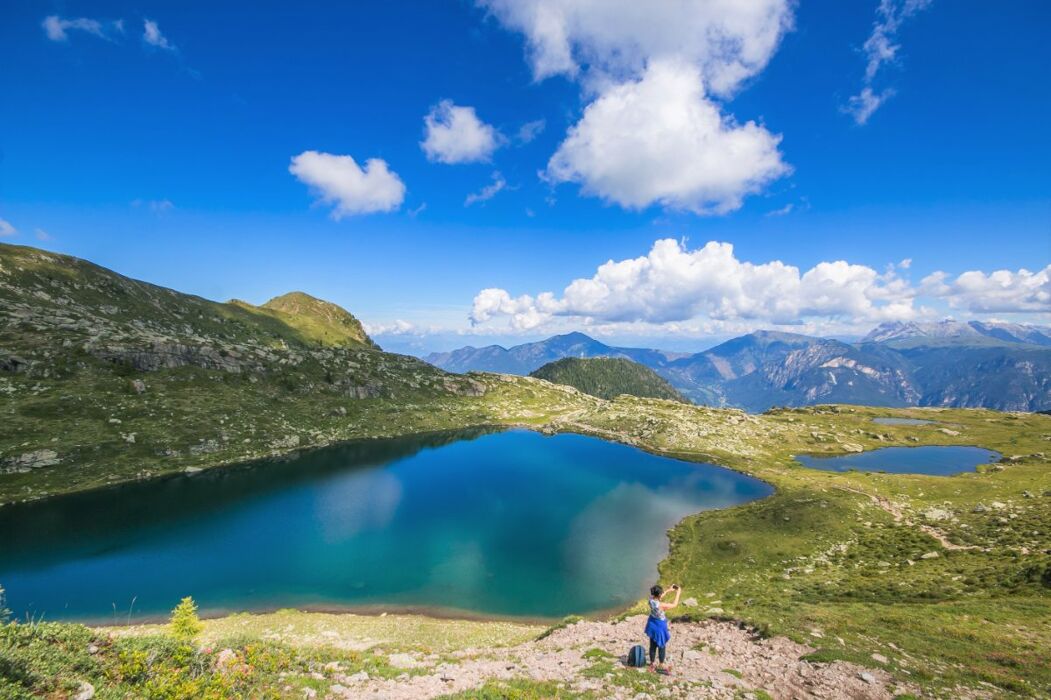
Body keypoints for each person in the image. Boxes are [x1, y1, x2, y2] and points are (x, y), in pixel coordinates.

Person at [644, 583, 681, 674]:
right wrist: (678, 593)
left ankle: (652, 663)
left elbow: (659, 596)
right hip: (660, 626)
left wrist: (669, 590)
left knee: (652, 645)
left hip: (652, 623)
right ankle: (661, 664)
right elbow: (674, 604)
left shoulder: (651, 600)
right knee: (661, 645)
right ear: (659, 594)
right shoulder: (661, 605)